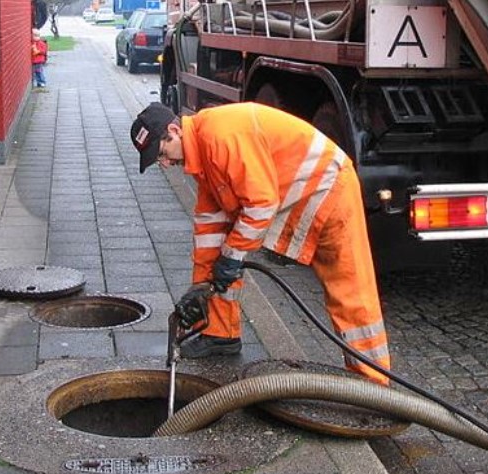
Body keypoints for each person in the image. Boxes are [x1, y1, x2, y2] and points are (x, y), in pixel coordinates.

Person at [129, 102, 391, 385]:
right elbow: (209, 233)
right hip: (303, 194)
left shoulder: (221, 137)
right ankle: (220, 333)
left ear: (174, 131)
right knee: (220, 252)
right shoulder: (202, 155)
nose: (165, 164)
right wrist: (200, 290)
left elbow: (261, 206)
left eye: (162, 154)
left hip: (330, 191)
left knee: (350, 292)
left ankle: (373, 383)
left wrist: (232, 258)